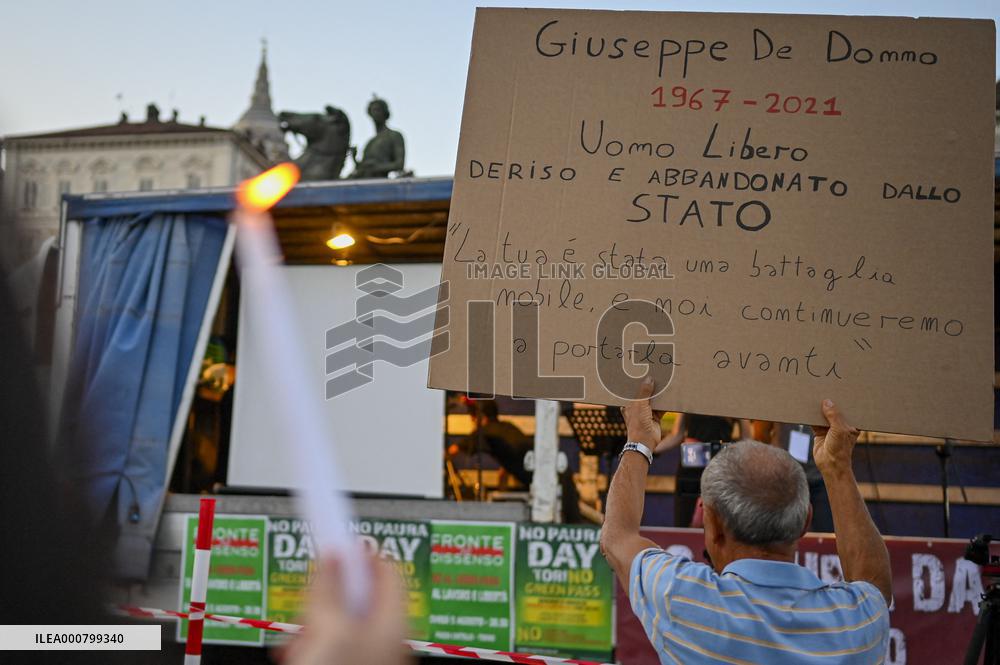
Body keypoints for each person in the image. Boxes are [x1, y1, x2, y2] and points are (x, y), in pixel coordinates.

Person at [601, 378, 891, 664]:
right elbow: (875, 582)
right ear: (805, 521)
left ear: (711, 526)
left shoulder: (684, 599)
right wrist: (838, 467)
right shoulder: (856, 623)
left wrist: (638, 440)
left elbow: (618, 539)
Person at [656, 413, 750, 527]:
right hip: (689, 469)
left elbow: (746, 441)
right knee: (684, 517)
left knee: (717, 520)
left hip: (719, 469)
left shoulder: (736, 399)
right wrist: (650, 450)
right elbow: (677, 435)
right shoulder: (688, 397)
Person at [349, 97, 406, 178]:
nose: (376, 113)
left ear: (385, 112)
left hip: (380, 182)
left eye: (378, 110)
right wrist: (355, 159)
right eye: (373, 110)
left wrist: (376, 167)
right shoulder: (370, 142)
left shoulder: (395, 135)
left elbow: (399, 164)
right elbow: (362, 168)